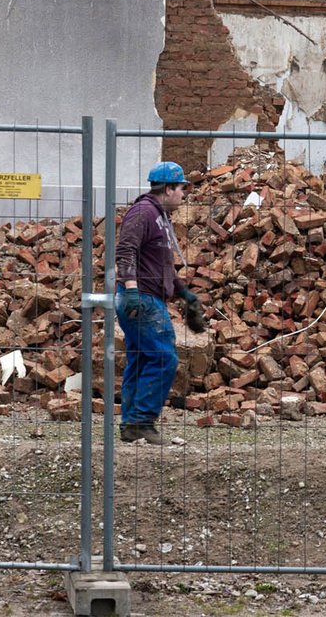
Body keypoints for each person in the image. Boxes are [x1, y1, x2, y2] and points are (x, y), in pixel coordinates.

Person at [114, 161, 206, 445]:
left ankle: (131, 426)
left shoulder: (159, 217)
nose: (183, 195)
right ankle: (142, 422)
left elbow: (161, 267)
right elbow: (125, 249)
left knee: (142, 360)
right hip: (141, 299)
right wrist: (131, 289)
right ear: (168, 188)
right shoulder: (143, 213)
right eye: (181, 189)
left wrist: (185, 295)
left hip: (145, 297)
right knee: (164, 358)